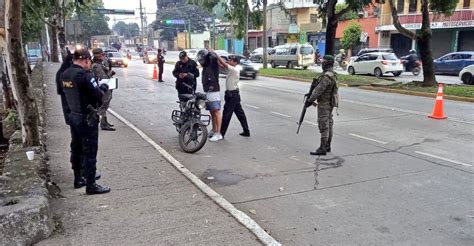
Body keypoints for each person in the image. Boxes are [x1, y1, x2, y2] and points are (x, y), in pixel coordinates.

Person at [60, 46, 111, 194]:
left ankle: (78, 178)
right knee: (89, 151)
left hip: (74, 116)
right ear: (87, 60)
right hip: (87, 117)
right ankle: (91, 184)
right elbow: (98, 96)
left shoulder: (65, 74)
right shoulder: (85, 76)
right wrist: (104, 87)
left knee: (76, 148)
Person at [305, 55, 338, 156]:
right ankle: (327, 146)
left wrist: (310, 101)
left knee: (324, 125)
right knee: (329, 123)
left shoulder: (326, 77)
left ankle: (322, 148)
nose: (321, 63)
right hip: (330, 102)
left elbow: (319, 90)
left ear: (326, 63)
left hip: (325, 103)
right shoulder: (332, 74)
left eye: (323, 61)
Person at [214, 54, 250, 138]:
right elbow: (222, 65)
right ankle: (246, 131)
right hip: (234, 95)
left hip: (232, 95)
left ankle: (221, 134)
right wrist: (217, 61)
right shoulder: (232, 69)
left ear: (235, 62)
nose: (229, 61)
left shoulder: (234, 69)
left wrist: (216, 54)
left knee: (227, 114)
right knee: (240, 113)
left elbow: (224, 64)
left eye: (230, 60)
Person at [196, 49, 223, 142]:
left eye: (202, 60)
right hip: (208, 91)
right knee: (212, 112)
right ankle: (214, 129)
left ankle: (218, 133)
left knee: (216, 112)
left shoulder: (213, 64)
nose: (201, 62)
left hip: (214, 91)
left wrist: (211, 52)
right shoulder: (206, 67)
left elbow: (215, 57)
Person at [91, 48, 116, 131]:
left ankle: (104, 121)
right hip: (102, 87)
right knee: (103, 105)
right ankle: (103, 123)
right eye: (102, 55)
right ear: (98, 56)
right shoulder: (96, 65)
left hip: (105, 87)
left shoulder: (100, 64)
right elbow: (103, 77)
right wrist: (110, 72)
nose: (104, 56)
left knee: (105, 105)